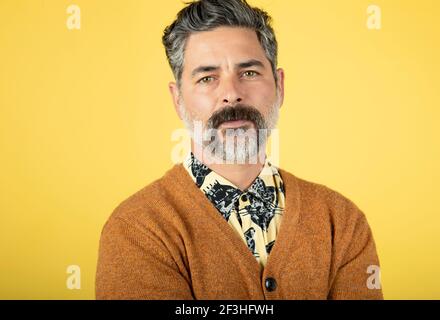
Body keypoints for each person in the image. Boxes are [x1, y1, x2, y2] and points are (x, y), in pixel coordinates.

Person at [95, 0, 383, 300]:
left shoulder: (342, 222)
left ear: (279, 86)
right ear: (177, 99)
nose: (231, 94)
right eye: (207, 78)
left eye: (249, 73)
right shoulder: (137, 230)